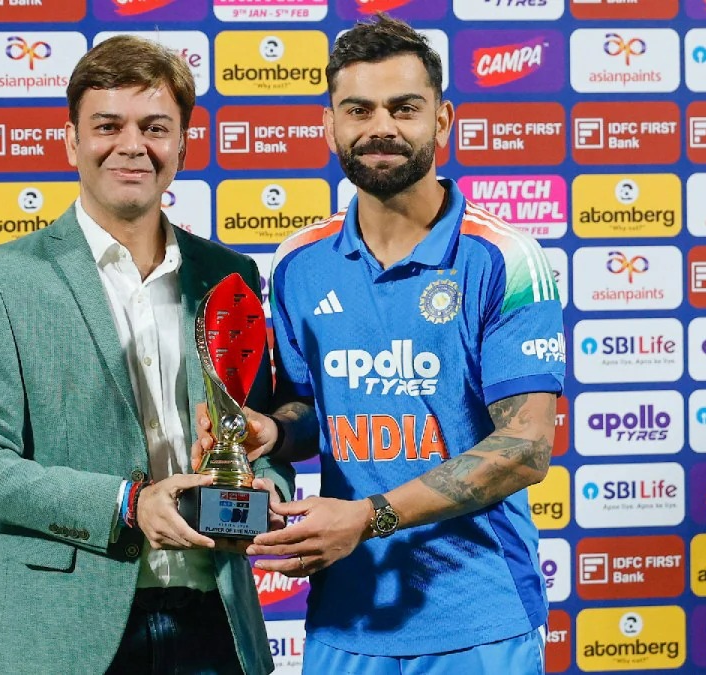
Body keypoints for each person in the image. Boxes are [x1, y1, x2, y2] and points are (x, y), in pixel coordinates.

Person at [194, 15, 564, 674]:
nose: (381, 127)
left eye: (404, 108)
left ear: (442, 121)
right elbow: (310, 408)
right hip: (347, 614)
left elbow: (525, 447)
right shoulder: (300, 262)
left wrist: (367, 517)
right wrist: (269, 432)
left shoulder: (506, 258)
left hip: (478, 619)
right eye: (358, 109)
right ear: (330, 125)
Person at [0, 35, 292, 675]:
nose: (132, 145)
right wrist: (128, 504)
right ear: (71, 142)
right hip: (61, 635)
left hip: (215, 623)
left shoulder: (229, 274)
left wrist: (263, 491)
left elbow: (252, 437)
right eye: (108, 126)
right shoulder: (3, 280)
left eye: (155, 127)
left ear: (182, 145)